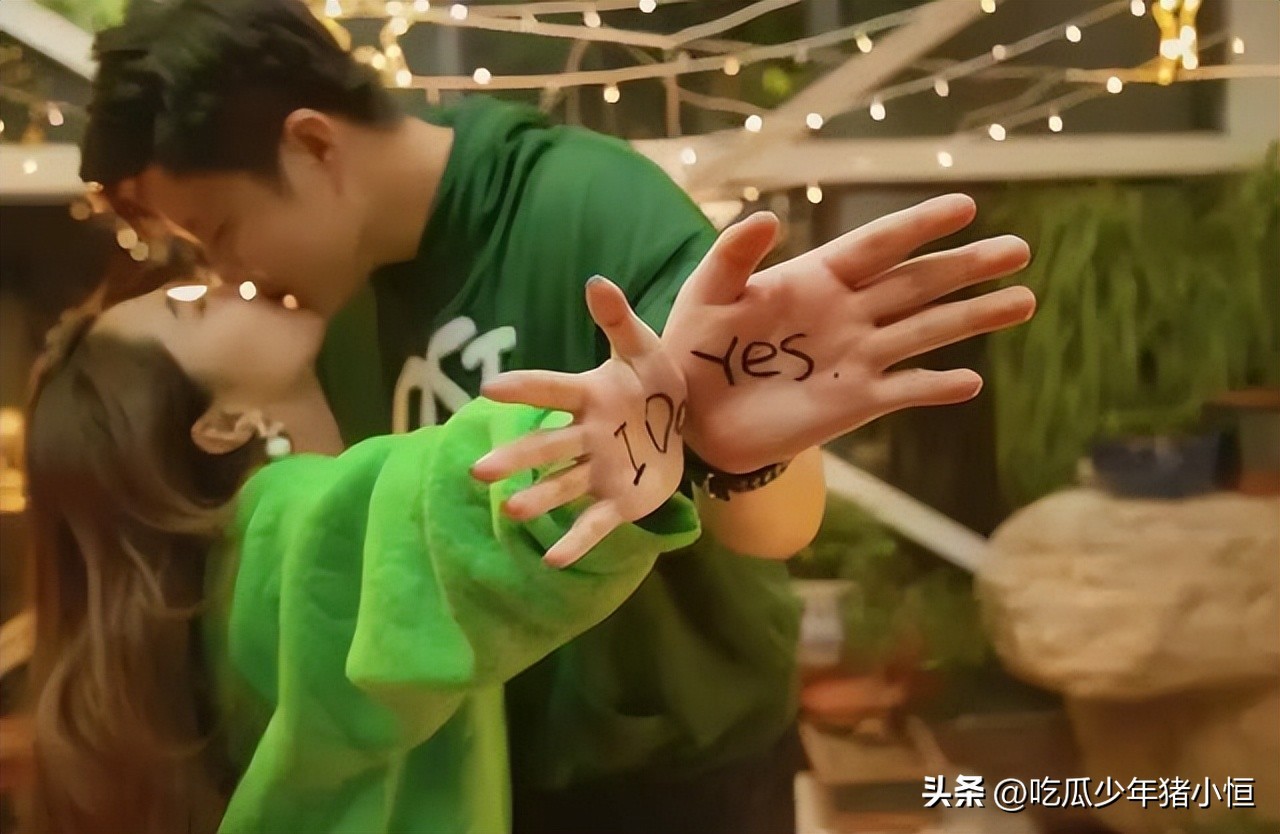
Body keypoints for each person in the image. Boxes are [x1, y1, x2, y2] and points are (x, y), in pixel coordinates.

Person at [79, 1, 1035, 829]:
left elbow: (784, 525)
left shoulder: (583, 204)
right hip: (491, 776)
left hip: (679, 774)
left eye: (220, 233)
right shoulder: (325, 307)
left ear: (315, 144)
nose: (228, 274)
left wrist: (721, 445)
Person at [22, 273, 706, 833]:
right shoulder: (267, 540)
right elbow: (420, 520)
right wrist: (577, 445)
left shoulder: (203, 598)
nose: (225, 284)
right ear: (219, 427)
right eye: (193, 305)